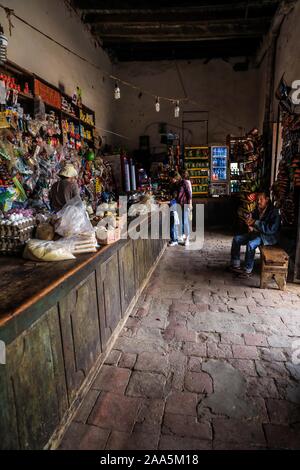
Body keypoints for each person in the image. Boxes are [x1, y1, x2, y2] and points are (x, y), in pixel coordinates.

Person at [230, 190, 281, 278]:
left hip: (267, 237)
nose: (258, 201)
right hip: (257, 233)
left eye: (261, 199)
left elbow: (271, 230)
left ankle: (248, 270)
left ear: (267, 199)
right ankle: (235, 265)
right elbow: (252, 218)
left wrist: (255, 223)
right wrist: (249, 222)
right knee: (236, 239)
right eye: (257, 199)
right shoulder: (257, 209)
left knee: (251, 244)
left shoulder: (274, 212)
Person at [178, 170, 192, 246]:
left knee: (185, 221)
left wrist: (190, 204)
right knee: (183, 221)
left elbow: (189, 194)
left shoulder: (185, 182)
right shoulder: (180, 183)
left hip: (185, 204)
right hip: (181, 204)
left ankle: (187, 239)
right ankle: (184, 237)